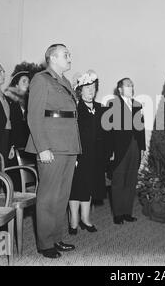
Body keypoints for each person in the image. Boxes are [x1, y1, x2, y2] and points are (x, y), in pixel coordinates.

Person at [25, 44, 81, 259]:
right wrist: (43, 148)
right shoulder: (41, 79)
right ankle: (45, 243)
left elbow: (71, 118)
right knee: (48, 196)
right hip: (51, 146)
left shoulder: (65, 82)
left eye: (70, 54)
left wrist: (74, 149)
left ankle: (56, 237)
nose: (70, 57)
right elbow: (34, 117)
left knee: (62, 196)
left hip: (68, 147)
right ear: (52, 58)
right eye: (66, 54)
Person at [68, 70, 107, 235]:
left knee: (89, 187)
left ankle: (85, 219)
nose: (91, 91)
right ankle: (73, 221)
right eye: (87, 87)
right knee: (76, 188)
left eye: (93, 87)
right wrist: (73, 155)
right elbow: (70, 134)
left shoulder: (100, 109)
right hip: (79, 155)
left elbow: (105, 134)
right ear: (80, 90)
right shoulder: (75, 109)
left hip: (95, 156)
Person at [105, 78, 146, 225]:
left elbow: (141, 128)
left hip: (135, 146)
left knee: (131, 180)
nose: (131, 87)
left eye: (132, 85)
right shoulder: (112, 105)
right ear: (120, 89)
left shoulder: (137, 105)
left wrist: (142, 148)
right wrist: (110, 152)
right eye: (128, 85)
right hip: (120, 148)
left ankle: (127, 212)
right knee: (118, 181)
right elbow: (108, 132)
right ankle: (118, 214)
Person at [5, 70, 31, 149]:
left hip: (28, 144)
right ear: (16, 85)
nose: (27, 84)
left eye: (28, 82)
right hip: (13, 144)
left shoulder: (31, 101)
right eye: (24, 81)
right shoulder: (8, 101)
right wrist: (11, 145)